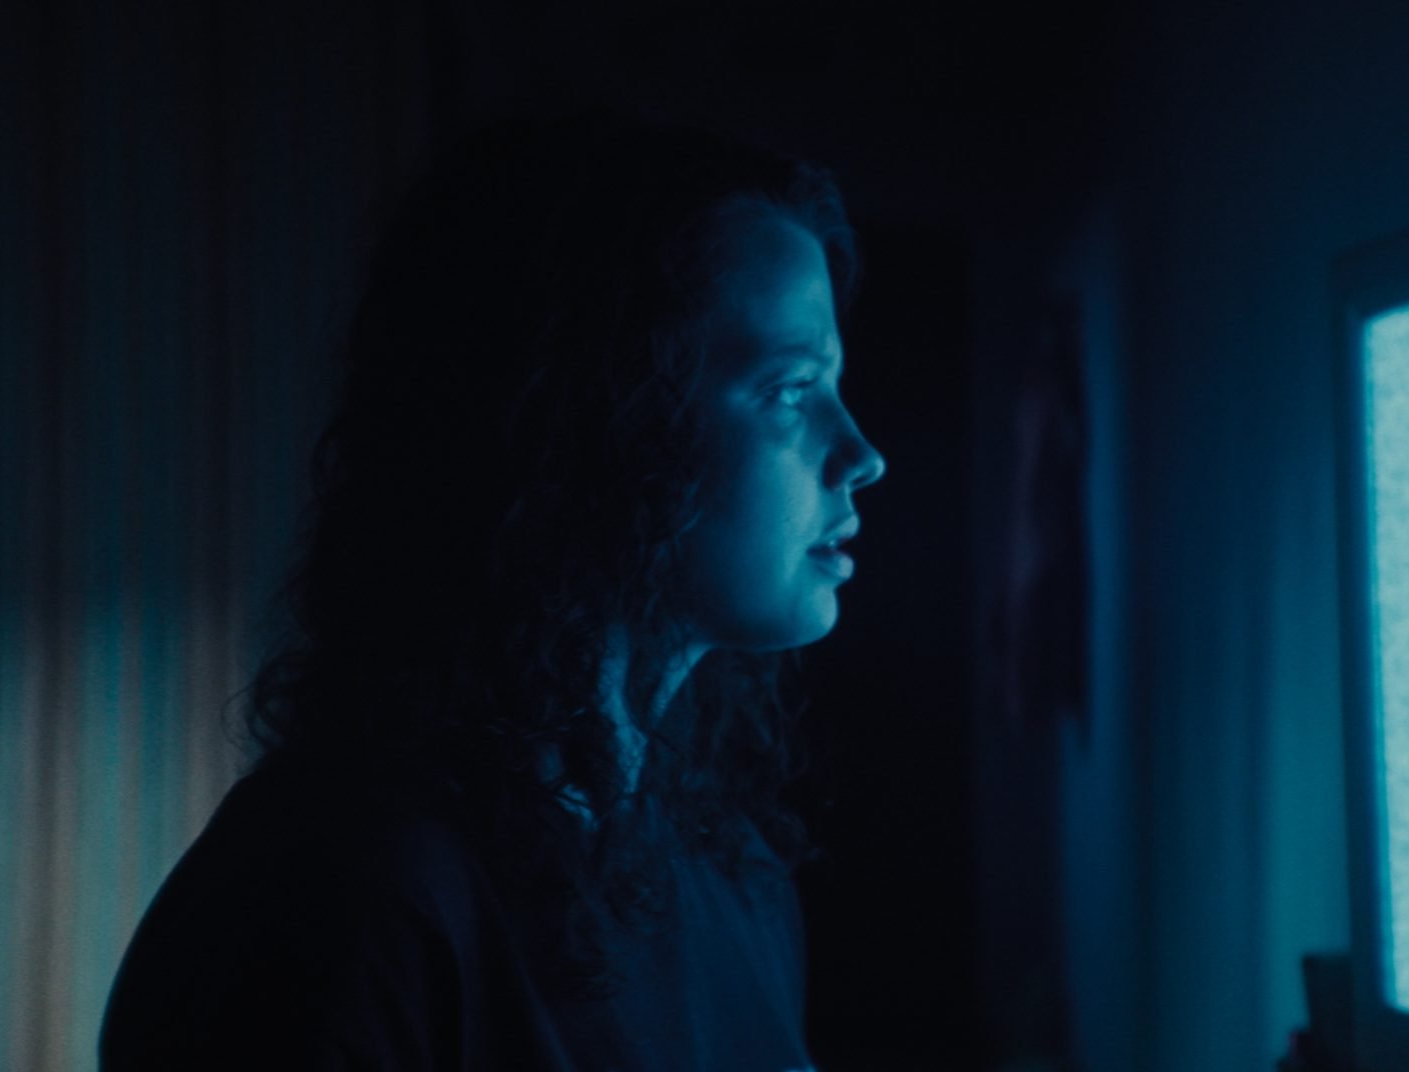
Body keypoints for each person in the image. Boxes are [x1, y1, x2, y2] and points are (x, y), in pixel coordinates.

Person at [98, 111, 887, 1071]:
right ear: (594, 421)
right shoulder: (341, 904)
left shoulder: (735, 876)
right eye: (792, 390)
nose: (862, 454)